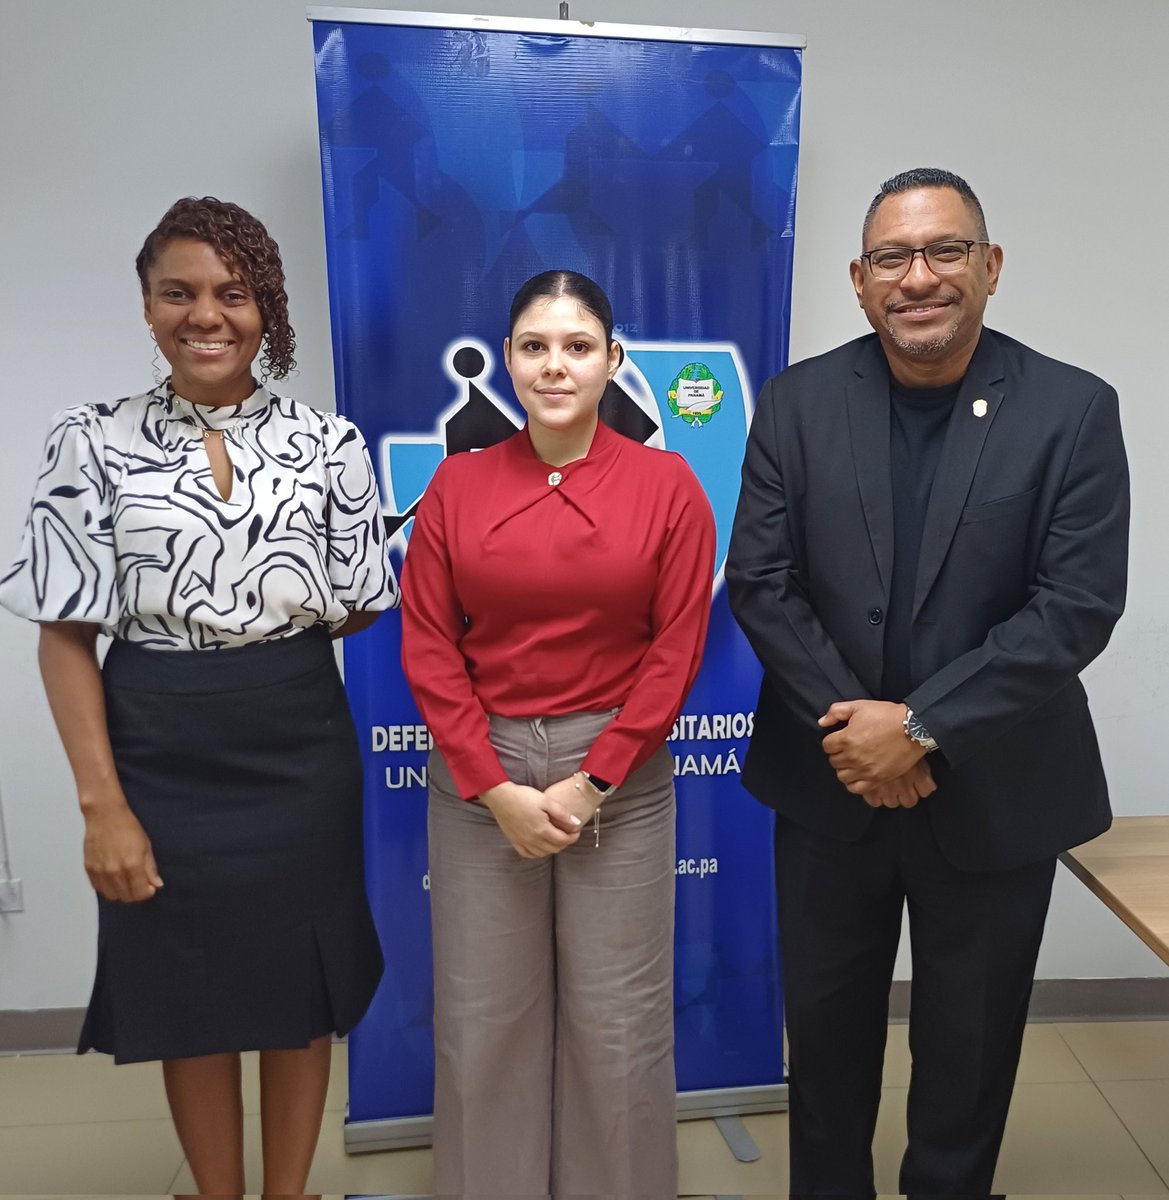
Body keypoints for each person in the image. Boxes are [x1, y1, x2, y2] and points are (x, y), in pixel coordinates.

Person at [727, 168, 1129, 1197]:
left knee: (967, 1060)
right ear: (858, 282)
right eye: (891, 259)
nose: (918, 277)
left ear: (987, 268)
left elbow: (1073, 605)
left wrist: (921, 724)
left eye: (943, 251)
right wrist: (862, 741)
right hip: (828, 789)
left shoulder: (1072, 410)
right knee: (823, 1055)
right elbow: (762, 586)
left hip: (995, 790)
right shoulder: (796, 402)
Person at [0, 197, 398, 1197]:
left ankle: (285, 1191)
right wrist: (102, 806)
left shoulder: (328, 442)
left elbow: (357, 603)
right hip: (156, 745)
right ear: (145, 308)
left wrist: (257, 630)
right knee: (190, 987)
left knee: (301, 985)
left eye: (232, 293)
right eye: (177, 292)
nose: (205, 314)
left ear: (265, 307)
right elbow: (63, 630)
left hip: (299, 743)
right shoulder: (86, 441)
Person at [400, 269, 716, 1197]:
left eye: (577, 347)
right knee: (482, 1017)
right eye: (534, 347)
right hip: (479, 777)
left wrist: (593, 781)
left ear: (612, 361)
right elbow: (425, 644)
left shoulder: (667, 486)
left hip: (615, 775)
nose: (554, 365)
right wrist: (489, 785)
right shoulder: (456, 487)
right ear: (507, 361)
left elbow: (676, 650)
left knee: (616, 1023)